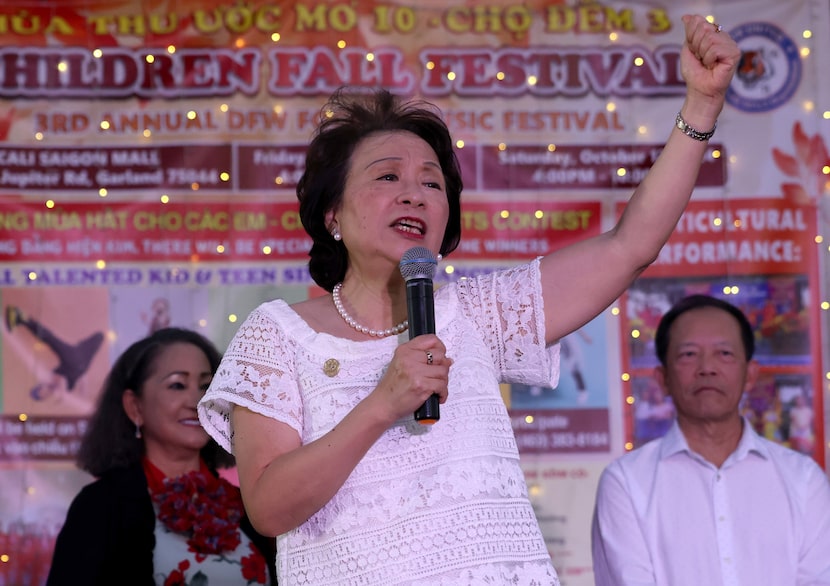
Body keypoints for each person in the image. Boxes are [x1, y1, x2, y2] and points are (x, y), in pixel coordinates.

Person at [198, 15, 740, 585]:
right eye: (387, 177)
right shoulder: (278, 334)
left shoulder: (477, 313)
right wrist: (382, 404)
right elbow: (268, 505)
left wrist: (701, 107)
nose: (415, 192)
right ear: (332, 214)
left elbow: (632, 245)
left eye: (433, 183)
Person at [591, 295, 830, 585]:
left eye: (725, 353)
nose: (707, 368)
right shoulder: (627, 482)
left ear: (750, 375)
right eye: (688, 354)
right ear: (662, 378)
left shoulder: (803, 480)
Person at [46, 328, 277, 586]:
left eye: (206, 385)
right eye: (178, 385)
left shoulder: (246, 504)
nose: (197, 401)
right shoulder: (100, 506)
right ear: (135, 406)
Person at [5, 304, 104, 402]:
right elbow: (79, 377)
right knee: (100, 336)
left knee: (49, 338)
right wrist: (82, 387)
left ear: (39, 387)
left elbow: (61, 380)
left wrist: (62, 393)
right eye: (42, 396)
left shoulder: (50, 380)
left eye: (41, 393)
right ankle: (21, 317)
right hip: (80, 360)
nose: (44, 394)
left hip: (73, 358)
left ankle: (20, 317)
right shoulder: (63, 385)